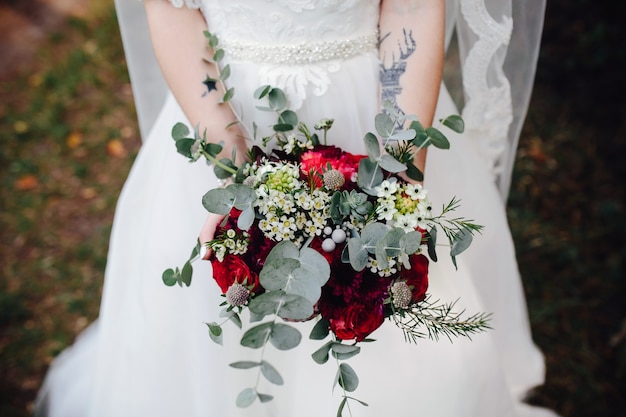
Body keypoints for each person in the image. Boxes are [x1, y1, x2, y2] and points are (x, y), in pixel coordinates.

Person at [36, 1, 556, 416]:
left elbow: (412, 8)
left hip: (372, 115)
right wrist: (240, 179)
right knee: (216, 319)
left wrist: (395, 180)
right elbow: (171, 11)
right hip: (227, 115)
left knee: (392, 306)